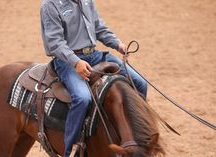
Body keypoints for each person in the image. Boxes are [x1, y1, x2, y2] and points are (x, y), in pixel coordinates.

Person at [40, 0, 147, 156]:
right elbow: (55, 43)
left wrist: (117, 44)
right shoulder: (50, 5)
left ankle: (138, 133)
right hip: (67, 62)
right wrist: (76, 62)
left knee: (140, 83)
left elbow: (98, 27)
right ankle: (71, 146)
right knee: (82, 98)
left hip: (94, 55)